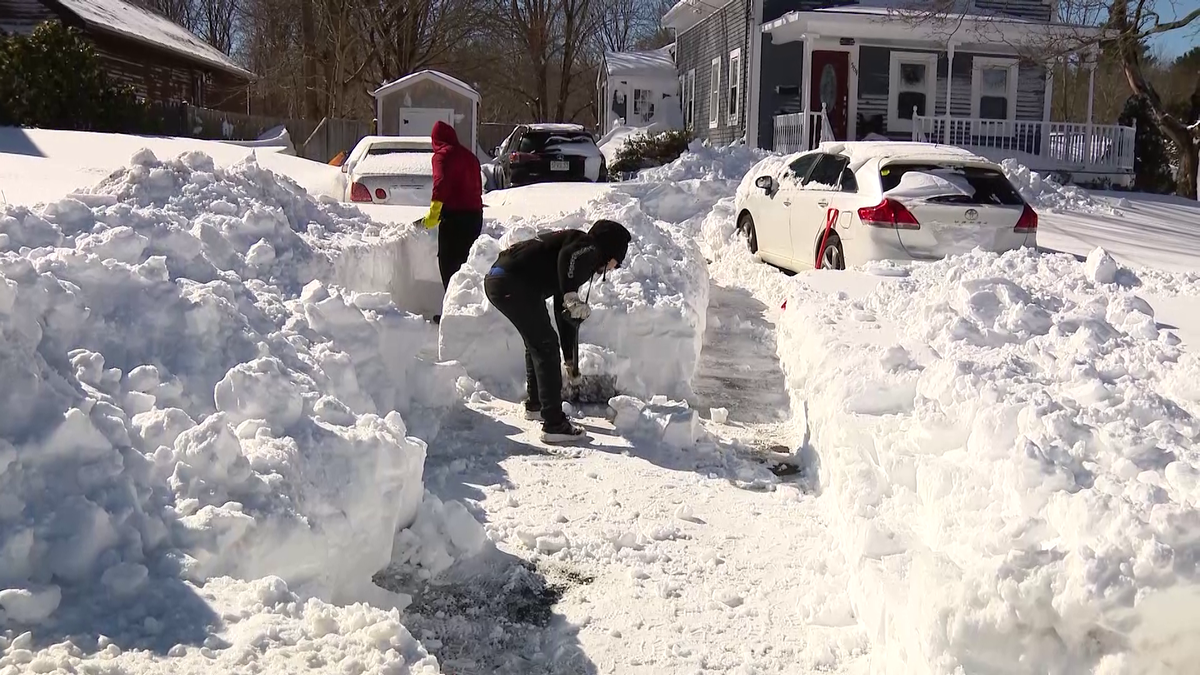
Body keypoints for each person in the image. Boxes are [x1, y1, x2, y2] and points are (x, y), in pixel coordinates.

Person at [484, 220, 632, 444]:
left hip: (502, 278)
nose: (614, 268)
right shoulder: (587, 246)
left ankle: (537, 404)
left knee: (537, 341)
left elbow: (562, 309)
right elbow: (568, 258)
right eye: (617, 262)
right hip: (512, 281)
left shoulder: (578, 256)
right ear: (611, 250)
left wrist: (570, 361)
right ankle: (554, 424)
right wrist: (572, 295)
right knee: (545, 345)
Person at [424, 121, 484, 301]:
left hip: (455, 219)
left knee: (449, 264)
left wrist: (433, 214)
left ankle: (452, 308)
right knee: (467, 264)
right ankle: (468, 306)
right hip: (475, 217)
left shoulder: (442, 156)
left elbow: (440, 184)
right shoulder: (470, 156)